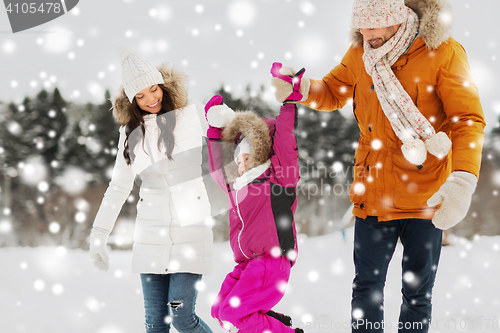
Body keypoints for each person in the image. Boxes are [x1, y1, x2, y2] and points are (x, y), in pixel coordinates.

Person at [271, 0, 485, 332]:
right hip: (372, 199)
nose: (365, 33)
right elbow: (333, 91)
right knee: (366, 292)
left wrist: (462, 180)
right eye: (360, 26)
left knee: (417, 295)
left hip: (425, 199)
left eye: (373, 25)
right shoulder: (361, 52)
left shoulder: (443, 52)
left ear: (397, 19)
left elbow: (467, 120)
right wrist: (301, 88)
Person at [89, 51, 214, 333]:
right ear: (132, 100)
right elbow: (119, 186)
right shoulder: (130, 132)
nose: (150, 99)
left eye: (154, 89)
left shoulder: (192, 113)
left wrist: (226, 118)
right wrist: (99, 235)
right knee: (155, 325)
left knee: (182, 317)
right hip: (150, 236)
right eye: (141, 96)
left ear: (163, 86)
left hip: (190, 232)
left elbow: (229, 132)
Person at [204, 68, 304, 333]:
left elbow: (284, 140)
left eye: (244, 158)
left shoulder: (278, 178)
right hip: (247, 263)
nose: (239, 164)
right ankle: (275, 323)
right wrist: (215, 131)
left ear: (258, 156)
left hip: (272, 260)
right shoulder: (236, 187)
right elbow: (217, 167)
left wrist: (289, 103)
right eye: (237, 160)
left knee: (233, 315)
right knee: (219, 310)